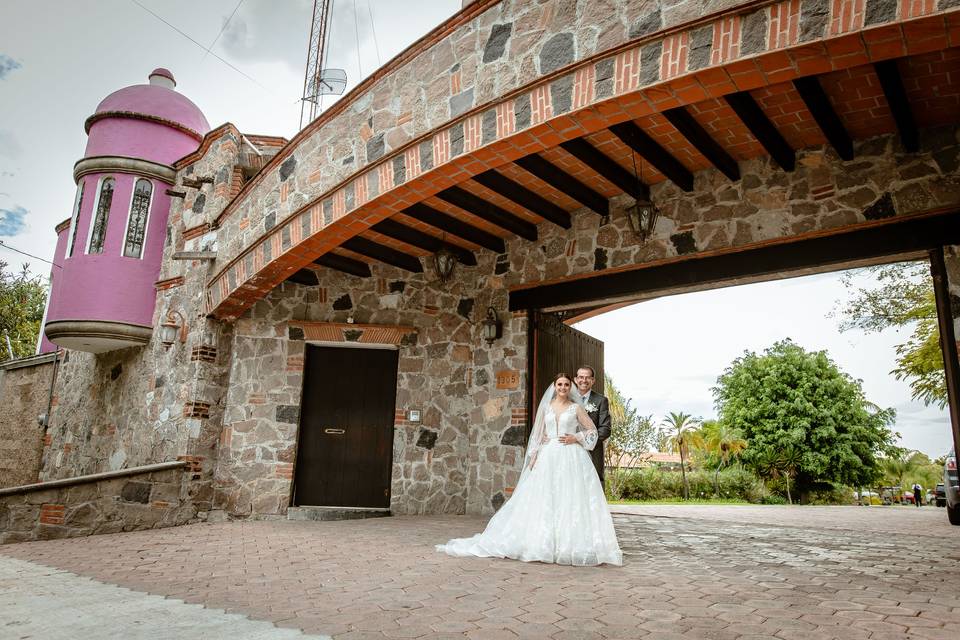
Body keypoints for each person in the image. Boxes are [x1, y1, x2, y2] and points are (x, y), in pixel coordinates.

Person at [436, 373, 623, 566]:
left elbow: (592, 430)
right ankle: (542, 542)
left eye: (566, 384)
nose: (563, 387)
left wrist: (575, 438)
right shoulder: (547, 408)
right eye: (560, 384)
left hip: (571, 455)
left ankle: (568, 544)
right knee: (545, 498)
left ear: (571, 387)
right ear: (554, 386)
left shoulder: (576, 408)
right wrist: (534, 457)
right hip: (549, 456)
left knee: (570, 497)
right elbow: (538, 434)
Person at [575, 366, 611, 485]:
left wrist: (583, 440)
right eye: (581, 377)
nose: (584, 380)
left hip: (592, 450)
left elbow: (605, 429)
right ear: (576, 379)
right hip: (569, 449)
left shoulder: (601, 400)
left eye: (587, 377)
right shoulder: (567, 399)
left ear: (593, 380)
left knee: (592, 486)